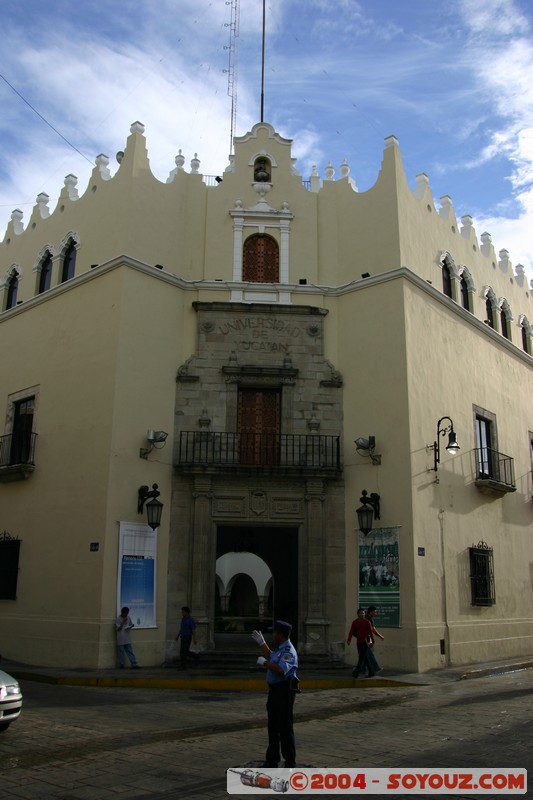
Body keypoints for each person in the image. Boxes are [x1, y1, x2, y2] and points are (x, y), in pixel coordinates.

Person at [252, 620, 299, 768]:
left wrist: (265, 664)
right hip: (275, 691)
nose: (272, 634)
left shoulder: (288, 651)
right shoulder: (280, 649)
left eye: (274, 632)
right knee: (273, 727)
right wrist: (262, 643)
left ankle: (290, 762)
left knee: (284, 728)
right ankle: (272, 760)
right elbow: (271, 655)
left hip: (284, 691)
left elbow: (280, 669)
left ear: (280, 634)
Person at [346, 608, 375, 678]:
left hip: (366, 642)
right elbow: (351, 631)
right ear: (358, 614)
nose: (362, 614)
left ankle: (356, 672)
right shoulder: (355, 622)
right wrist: (349, 639)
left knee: (361, 657)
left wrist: (373, 641)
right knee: (364, 657)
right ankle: (371, 672)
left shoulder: (367, 622)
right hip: (359, 641)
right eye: (361, 613)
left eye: (363, 613)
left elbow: (371, 632)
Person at [365, 605, 384, 675]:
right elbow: (373, 629)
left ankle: (362, 669)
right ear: (370, 612)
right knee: (369, 653)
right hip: (367, 638)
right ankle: (376, 668)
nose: (376, 613)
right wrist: (380, 636)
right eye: (375, 612)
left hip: (366, 638)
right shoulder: (369, 618)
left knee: (366, 654)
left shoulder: (366, 617)